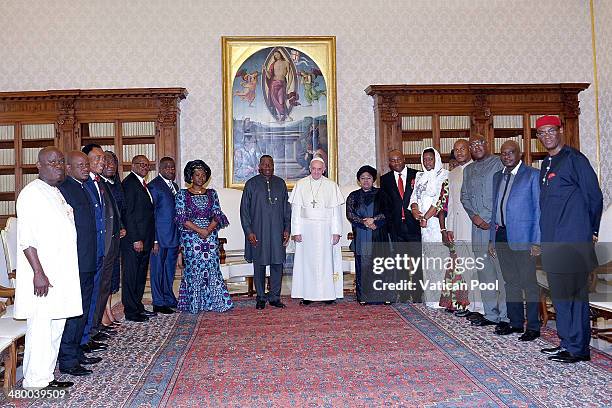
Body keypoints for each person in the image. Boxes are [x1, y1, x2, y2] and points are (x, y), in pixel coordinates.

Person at [535, 115, 603, 363]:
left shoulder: (575, 160)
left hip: (573, 240)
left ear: (560, 130)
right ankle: (566, 343)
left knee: (575, 296)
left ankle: (579, 349)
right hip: (552, 241)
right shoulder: (546, 164)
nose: (546, 136)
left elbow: (594, 197)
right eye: (541, 133)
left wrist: (592, 232)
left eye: (551, 131)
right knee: (561, 295)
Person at [14, 147, 81, 389]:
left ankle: (47, 376)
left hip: (62, 274)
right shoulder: (31, 194)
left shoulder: (56, 192)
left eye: (61, 162)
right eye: (52, 162)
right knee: (42, 327)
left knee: (56, 325)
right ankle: (34, 380)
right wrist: (38, 274)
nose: (58, 166)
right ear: (39, 166)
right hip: (43, 277)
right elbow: (26, 240)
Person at [488, 141, 541, 341]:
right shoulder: (497, 177)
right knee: (510, 282)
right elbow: (495, 210)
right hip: (501, 235)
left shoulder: (532, 175)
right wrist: (492, 239)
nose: (507, 156)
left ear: (520, 154)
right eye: (503, 153)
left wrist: (536, 241)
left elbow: (538, 211)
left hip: (524, 237)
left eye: (511, 153)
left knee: (529, 283)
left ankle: (533, 327)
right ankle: (516, 322)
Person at [57, 151, 100, 377]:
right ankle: (68, 360)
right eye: (80, 165)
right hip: (76, 263)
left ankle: (77, 351)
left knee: (82, 311)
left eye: (86, 165)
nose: (85, 168)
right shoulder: (65, 189)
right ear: (69, 168)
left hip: (88, 260)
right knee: (73, 313)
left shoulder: (83, 187)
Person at [461, 135, 509, 332]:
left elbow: (503, 193)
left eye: (480, 143)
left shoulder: (499, 163)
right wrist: (474, 217)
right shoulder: (469, 169)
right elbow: (464, 196)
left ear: (487, 144)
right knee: (484, 273)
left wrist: (487, 217)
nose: (476, 147)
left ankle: (506, 316)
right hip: (477, 228)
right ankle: (491, 314)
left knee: (502, 273)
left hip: (496, 226)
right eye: (472, 145)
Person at [175, 160, 233, 313]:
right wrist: (199, 230)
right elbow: (182, 218)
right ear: (191, 176)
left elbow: (217, 214)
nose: (200, 177)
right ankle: (195, 304)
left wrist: (207, 230)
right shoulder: (182, 194)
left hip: (210, 237)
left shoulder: (212, 193)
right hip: (190, 238)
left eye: (203, 175)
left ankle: (216, 303)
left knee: (212, 269)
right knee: (194, 270)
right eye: (197, 175)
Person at [290, 157, 344, 304]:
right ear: (309, 168)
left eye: (319, 169)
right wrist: (296, 232)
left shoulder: (331, 186)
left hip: (326, 229)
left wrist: (336, 232)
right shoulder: (300, 185)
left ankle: (327, 294)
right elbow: (296, 211)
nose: (316, 172)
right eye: (313, 169)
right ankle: (308, 295)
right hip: (306, 230)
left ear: (324, 170)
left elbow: (335, 212)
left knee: (327, 262)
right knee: (306, 263)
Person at [240, 155, 291, 310]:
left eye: (270, 164)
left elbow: (286, 210)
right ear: (259, 167)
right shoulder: (251, 184)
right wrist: (249, 232)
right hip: (258, 232)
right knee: (260, 265)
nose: (267, 167)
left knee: (277, 264)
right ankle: (261, 297)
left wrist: (287, 229)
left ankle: (275, 297)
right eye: (264, 164)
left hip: (277, 232)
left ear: (273, 166)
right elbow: (244, 211)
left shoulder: (280, 183)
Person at [439, 139, 475, 316]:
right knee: (465, 269)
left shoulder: (477, 168)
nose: (459, 152)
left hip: (475, 226)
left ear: (470, 150)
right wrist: (449, 227)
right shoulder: (452, 174)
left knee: (477, 268)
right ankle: (470, 306)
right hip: (458, 228)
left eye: (463, 149)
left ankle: (480, 307)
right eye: (456, 150)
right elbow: (451, 204)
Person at [380, 149, 422, 302]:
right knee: (401, 262)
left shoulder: (417, 175)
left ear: (404, 159)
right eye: (392, 160)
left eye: (398, 159)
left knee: (417, 262)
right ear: (389, 163)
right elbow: (385, 205)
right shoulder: (385, 179)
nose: (396, 162)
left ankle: (418, 294)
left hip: (414, 226)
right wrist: (391, 225)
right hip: (396, 228)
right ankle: (404, 294)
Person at [409, 148, 449, 307]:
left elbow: (441, 201)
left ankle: (441, 300)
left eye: (430, 159)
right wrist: (415, 211)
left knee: (440, 261)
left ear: (437, 159)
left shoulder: (444, 175)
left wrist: (426, 217)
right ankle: (431, 298)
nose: (427, 162)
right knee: (427, 262)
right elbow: (414, 197)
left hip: (437, 223)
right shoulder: (420, 176)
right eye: (425, 159)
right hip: (423, 225)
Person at [346, 165, 388, 303]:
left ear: (373, 179)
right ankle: (364, 296)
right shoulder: (353, 196)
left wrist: (374, 220)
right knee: (363, 265)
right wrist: (365, 222)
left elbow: (388, 211)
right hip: (362, 234)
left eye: (369, 178)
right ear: (359, 180)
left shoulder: (382, 194)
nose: (366, 181)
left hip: (378, 233)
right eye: (363, 178)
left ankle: (383, 296)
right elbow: (350, 214)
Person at [121, 155, 156, 322]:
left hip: (145, 239)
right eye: (140, 164)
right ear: (132, 166)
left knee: (140, 276)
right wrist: (136, 239)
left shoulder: (142, 184)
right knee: (131, 276)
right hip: (134, 241)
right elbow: (129, 214)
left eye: (147, 165)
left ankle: (138, 306)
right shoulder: (129, 184)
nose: (144, 167)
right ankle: (131, 311)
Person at [148, 157, 180, 314]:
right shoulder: (154, 186)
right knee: (157, 270)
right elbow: (151, 215)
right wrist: (153, 239)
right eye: (167, 167)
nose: (170, 170)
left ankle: (168, 298)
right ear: (160, 169)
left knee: (169, 270)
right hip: (159, 239)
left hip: (173, 237)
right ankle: (158, 302)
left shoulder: (175, 186)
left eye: (173, 168)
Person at [101, 150, 124, 326]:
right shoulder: (99, 184)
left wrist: (122, 227)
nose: (110, 165)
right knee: (104, 278)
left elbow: (119, 211)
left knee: (113, 277)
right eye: (106, 162)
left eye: (113, 162)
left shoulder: (116, 184)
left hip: (116, 236)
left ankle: (108, 310)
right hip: (105, 238)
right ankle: (103, 315)